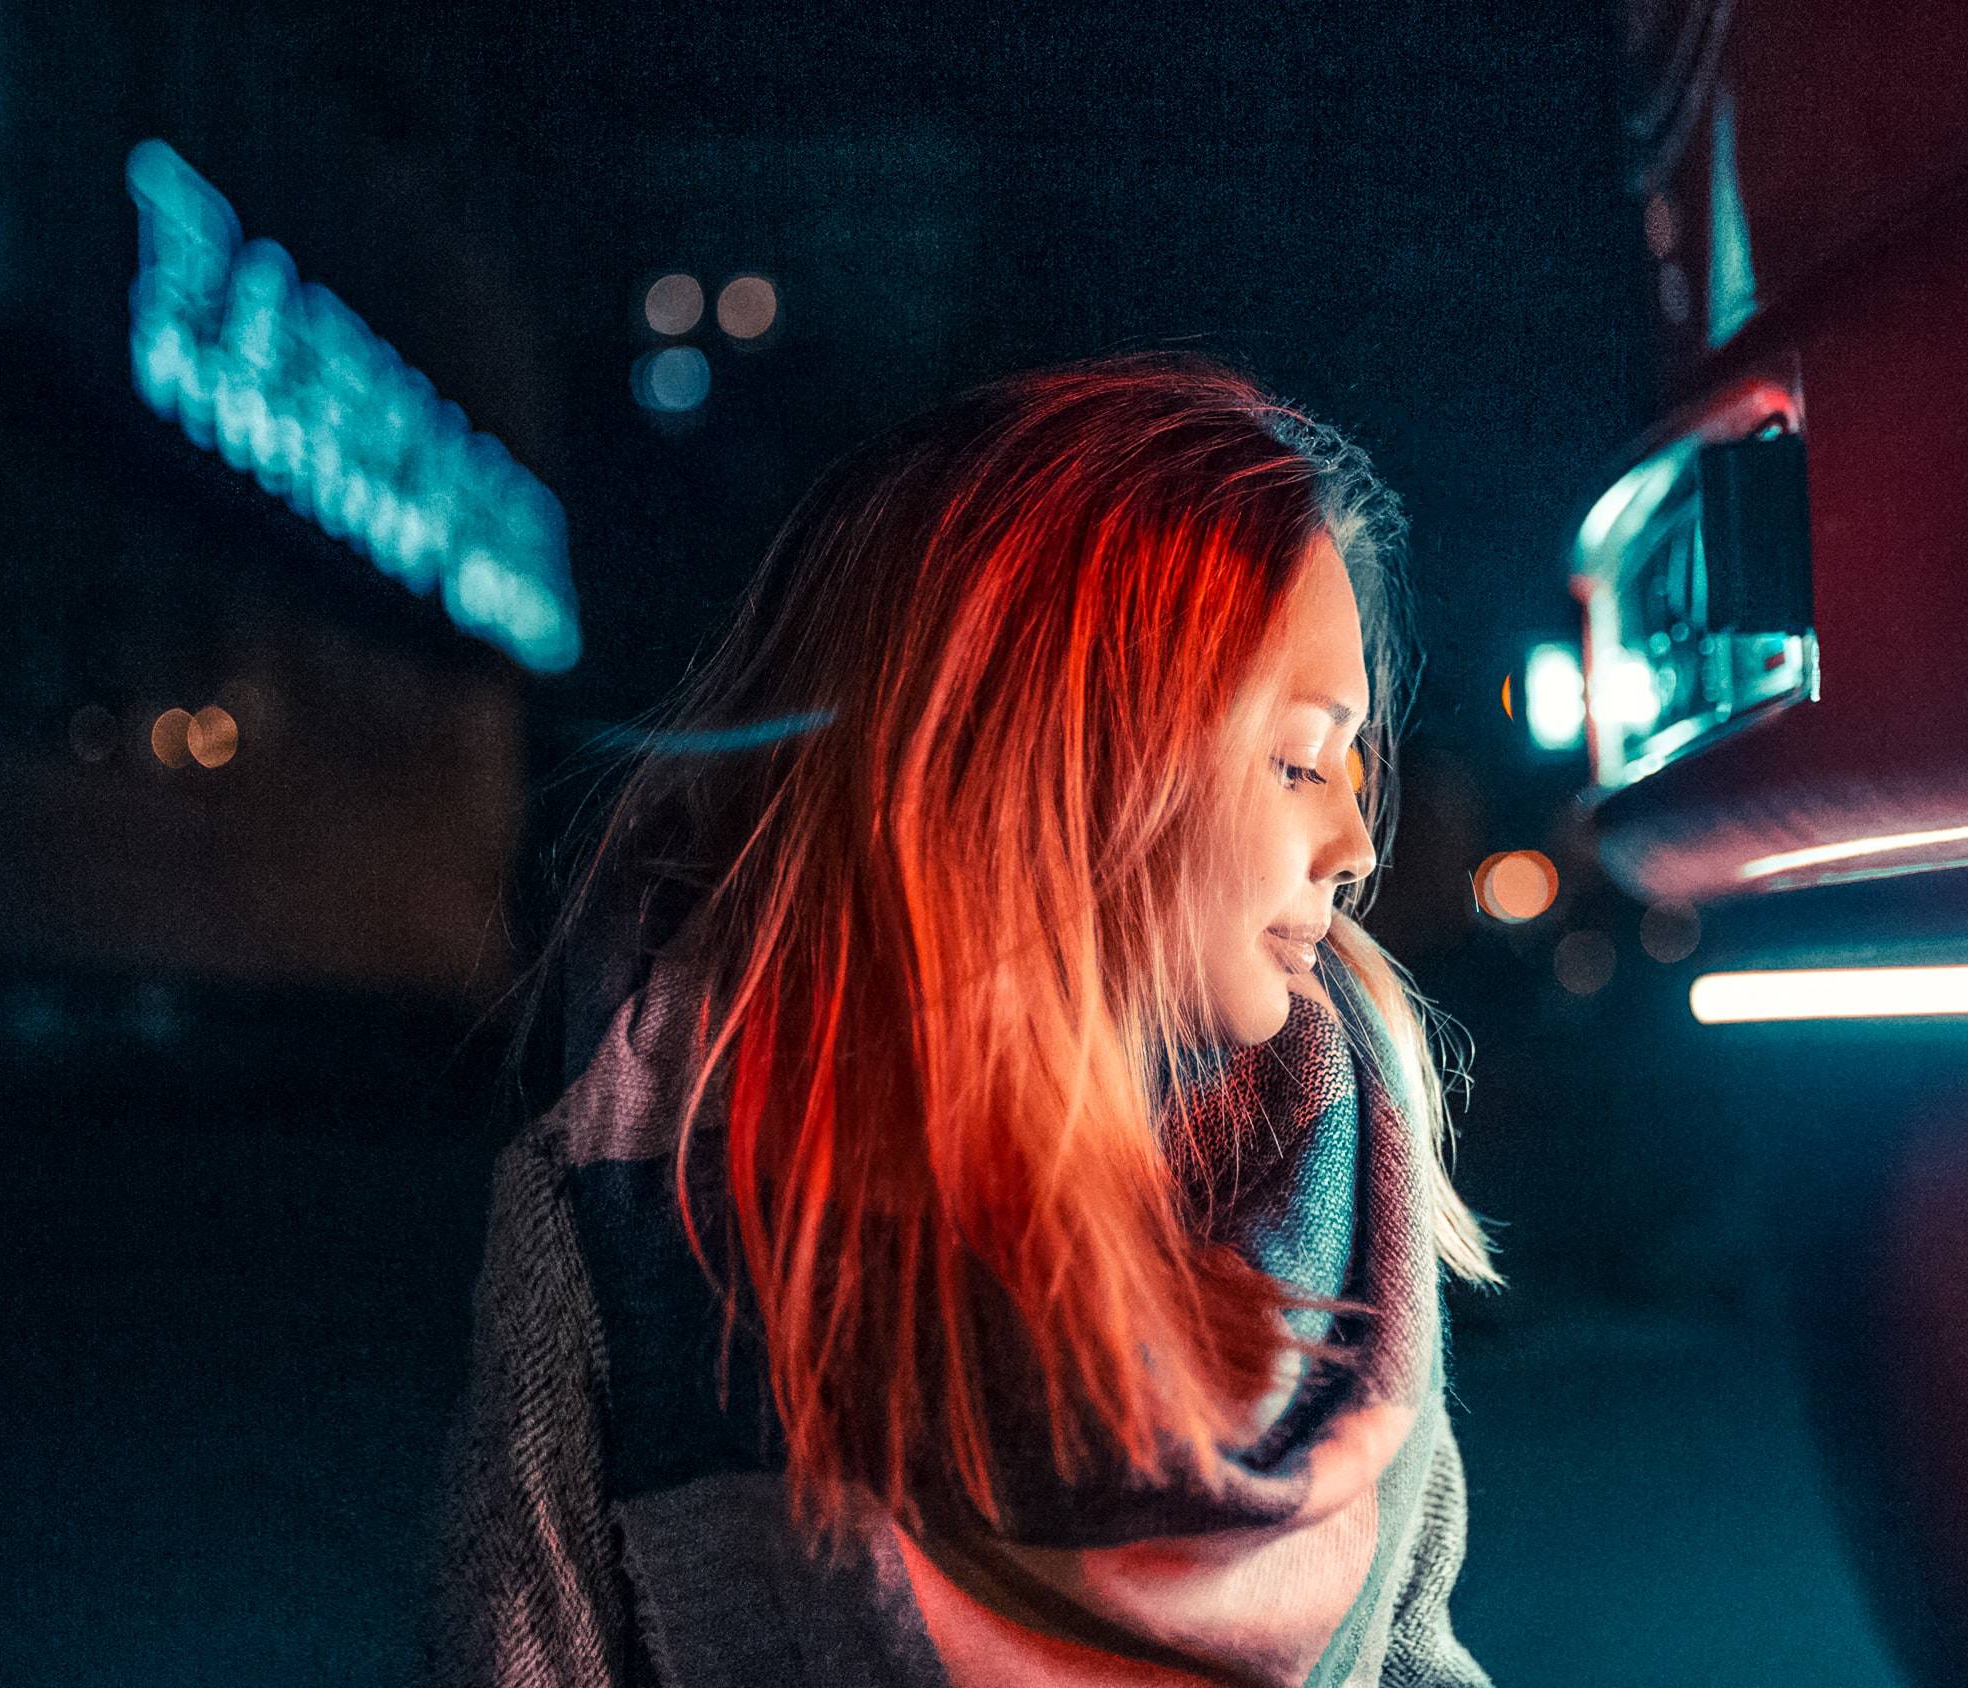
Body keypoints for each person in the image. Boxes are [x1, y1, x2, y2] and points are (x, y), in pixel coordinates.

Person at [424, 353, 1502, 1687]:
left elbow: (1414, 1658)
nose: (1353, 843)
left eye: (1347, 770)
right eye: (1294, 761)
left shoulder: (1356, 1185)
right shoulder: (643, 1214)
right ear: (1064, 758)